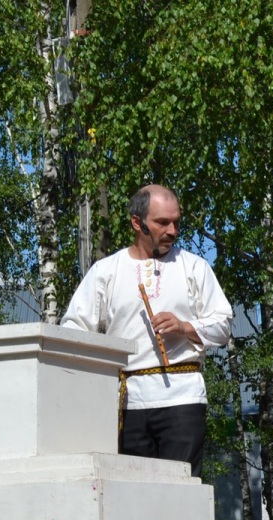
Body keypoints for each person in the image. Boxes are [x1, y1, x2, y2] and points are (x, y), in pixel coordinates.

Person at [60, 183, 234, 474]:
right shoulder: (106, 271)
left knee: (179, 492)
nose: (172, 231)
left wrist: (184, 326)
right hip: (128, 403)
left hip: (182, 398)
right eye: (162, 223)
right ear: (137, 223)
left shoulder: (194, 267)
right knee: (132, 496)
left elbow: (223, 325)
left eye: (176, 222)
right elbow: (73, 330)